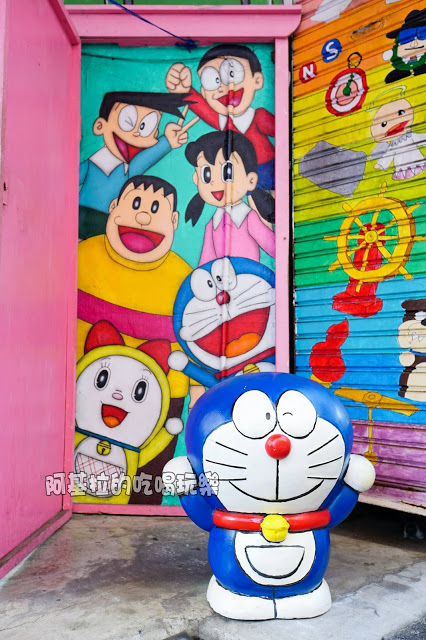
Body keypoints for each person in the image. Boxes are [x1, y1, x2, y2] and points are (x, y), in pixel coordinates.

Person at [79, 91, 193, 239]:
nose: (136, 134)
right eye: (127, 122)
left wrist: (168, 141)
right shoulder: (92, 165)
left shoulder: (129, 170)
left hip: (109, 224)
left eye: (145, 127)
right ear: (100, 125)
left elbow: (146, 158)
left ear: (155, 134)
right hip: (80, 217)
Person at [166, 45, 275, 194]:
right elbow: (203, 108)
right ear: (204, 92)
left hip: (271, 170)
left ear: (257, 80)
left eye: (233, 73)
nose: (223, 87)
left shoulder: (259, 117)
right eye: (212, 80)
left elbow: (285, 135)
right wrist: (183, 90)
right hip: (244, 179)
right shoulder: (224, 123)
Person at [185, 130, 275, 265]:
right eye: (206, 174)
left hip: (249, 276)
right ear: (196, 179)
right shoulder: (211, 225)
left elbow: (273, 248)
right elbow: (205, 261)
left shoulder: (249, 218)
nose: (214, 182)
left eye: (227, 172)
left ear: (251, 180)